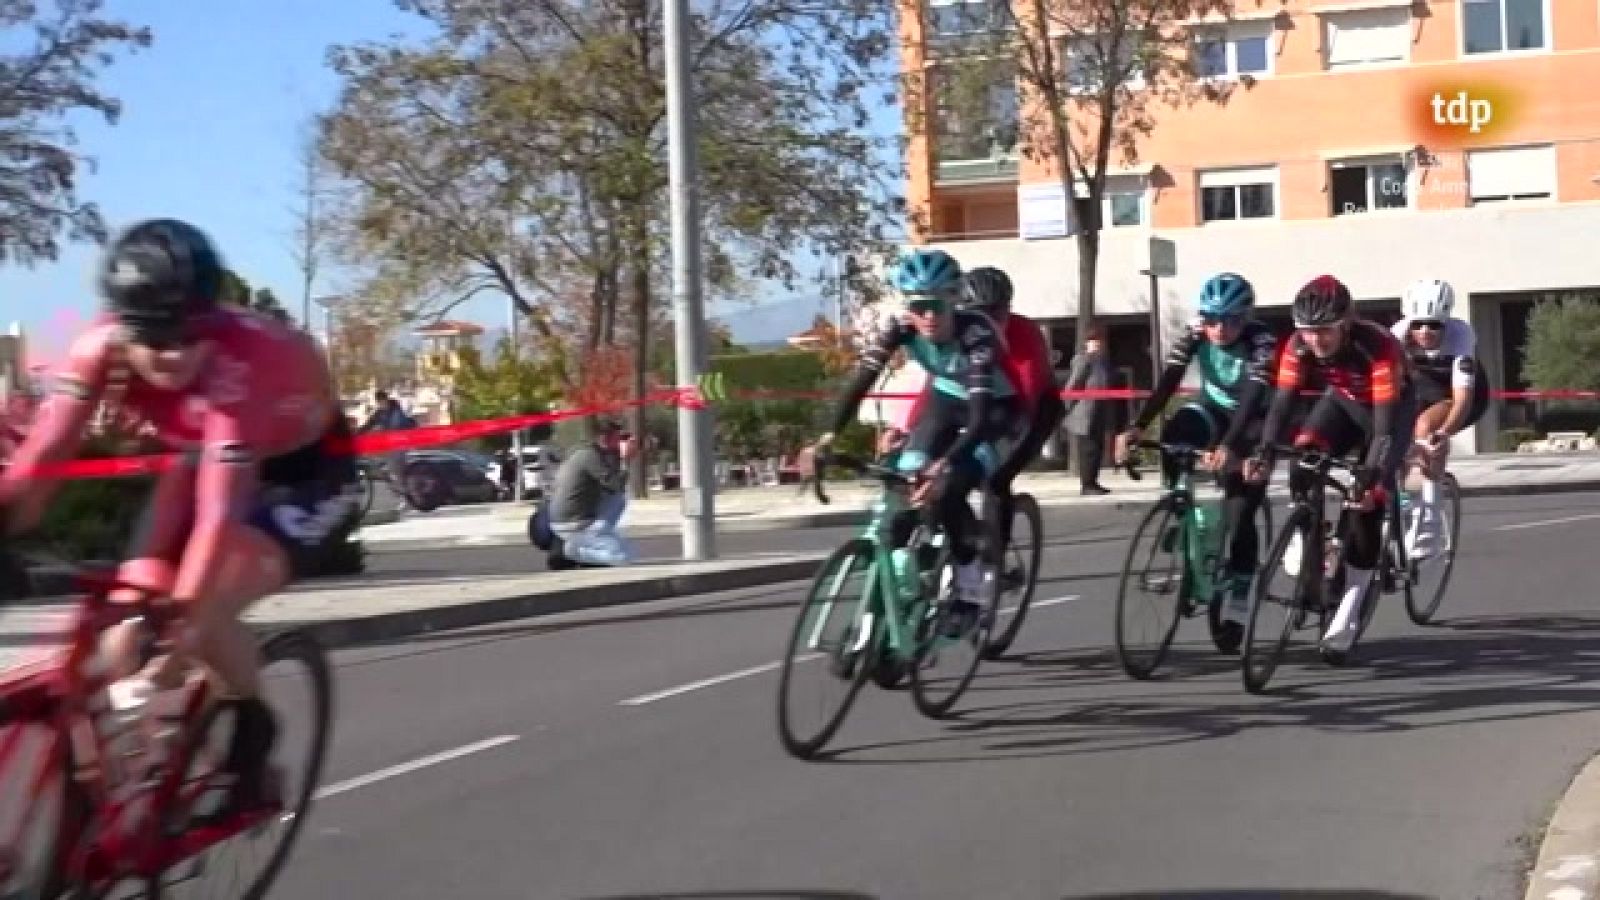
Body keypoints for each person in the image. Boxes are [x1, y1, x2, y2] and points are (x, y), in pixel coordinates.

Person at [0, 218, 356, 819]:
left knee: (202, 608)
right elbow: (39, 462)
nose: (174, 355)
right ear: (121, 327)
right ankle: (113, 796)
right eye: (155, 339)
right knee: (118, 634)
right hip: (203, 459)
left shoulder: (240, 367)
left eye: (190, 335)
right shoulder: (96, 351)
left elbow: (218, 519)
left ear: (209, 320)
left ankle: (250, 726)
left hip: (303, 477)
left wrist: (165, 660)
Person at [811, 248, 1016, 632]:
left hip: (991, 412)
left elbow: (976, 418)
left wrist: (944, 466)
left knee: (950, 487)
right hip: (943, 401)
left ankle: (972, 586)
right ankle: (906, 586)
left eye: (938, 305)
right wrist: (826, 436)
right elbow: (860, 384)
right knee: (905, 474)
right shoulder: (900, 329)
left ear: (954, 300)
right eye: (919, 306)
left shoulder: (978, 334)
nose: (929, 316)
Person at [1244, 274, 1418, 657]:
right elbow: (1282, 402)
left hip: (1388, 411)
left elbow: (1385, 426)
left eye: (1324, 332)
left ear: (1346, 324)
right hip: (1341, 402)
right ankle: (1308, 534)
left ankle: (1350, 610)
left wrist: (1373, 472)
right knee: (1303, 455)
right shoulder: (1297, 346)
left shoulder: (1377, 346)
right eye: (1307, 332)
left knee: (1366, 499)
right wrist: (1264, 450)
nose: (1315, 341)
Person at [1114, 273, 1279, 645]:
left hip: (1254, 419)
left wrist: (1230, 447)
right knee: (1176, 432)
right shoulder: (1195, 333)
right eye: (1211, 319)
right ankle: (1179, 505)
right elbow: (1170, 378)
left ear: (1246, 317)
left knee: (1240, 516)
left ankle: (1239, 596)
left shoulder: (1261, 341)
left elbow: (1254, 394)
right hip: (1215, 407)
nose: (1220, 329)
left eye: (1232, 320)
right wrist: (1137, 426)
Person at [1391, 278, 1487, 558]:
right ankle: (1404, 497)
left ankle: (1431, 516)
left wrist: (1443, 435)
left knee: (1427, 428)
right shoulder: (1396, 336)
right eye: (1418, 324)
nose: (1425, 332)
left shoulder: (1461, 335)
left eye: (1434, 325)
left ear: (1447, 322)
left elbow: (1463, 400)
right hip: (1422, 389)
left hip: (1459, 395)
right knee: (1393, 435)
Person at [546, 419, 636, 566]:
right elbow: (616, 485)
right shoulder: (590, 456)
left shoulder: (584, 452)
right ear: (605, 438)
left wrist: (618, 456)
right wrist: (626, 460)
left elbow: (609, 483)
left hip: (567, 520)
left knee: (616, 500)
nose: (620, 441)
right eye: (617, 437)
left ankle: (586, 548)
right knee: (624, 557)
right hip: (574, 524)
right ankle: (570, 551)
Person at [1062, 324, 1114, 495]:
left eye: (1099, 340)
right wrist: (1065, 408)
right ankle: (1087, 484)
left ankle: (1093, 481)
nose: (1096, 344)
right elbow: (1073, 385)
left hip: (1099, 410)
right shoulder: (1083, 361)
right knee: (1088, 450)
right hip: (1085, 413)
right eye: (1092, 340)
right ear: (1086, 343)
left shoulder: (1103, 362)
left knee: (1097, 448)